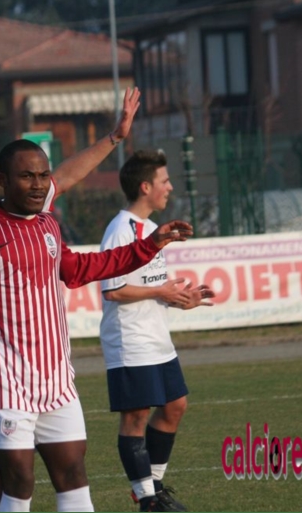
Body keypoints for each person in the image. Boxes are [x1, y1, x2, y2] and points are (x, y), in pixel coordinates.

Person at [0, 139, 194, 512]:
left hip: (52, 378)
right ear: (4, 181)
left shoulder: (45, 223)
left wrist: (148, 244)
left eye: (42, 176)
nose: (38, 184)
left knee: (66, 475)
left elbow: (80, 262)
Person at [99, 150, 215, 512]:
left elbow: (153, 286)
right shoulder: (121, 230)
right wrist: (160, 292)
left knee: (175, 405)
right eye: (164, 181)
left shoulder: (151, 230)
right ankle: (148, 500)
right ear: (145, 186)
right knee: (135, 417)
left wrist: (182, 300)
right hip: (130, 339)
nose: (170, 187)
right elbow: (112, 289)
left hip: (156, 336)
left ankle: (154, 487)